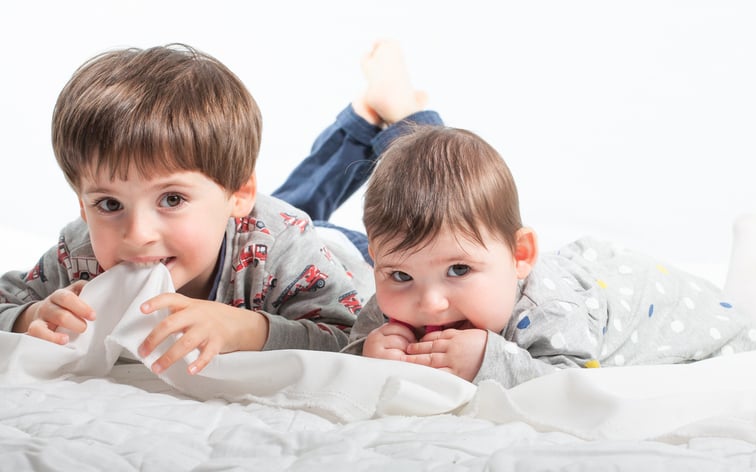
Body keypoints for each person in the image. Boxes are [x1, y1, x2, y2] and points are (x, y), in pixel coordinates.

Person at [0, 41, 436, 377]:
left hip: (330, 247)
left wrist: (246, 329)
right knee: (283, 206)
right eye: (109, 204)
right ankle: (361, 117)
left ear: (239, 195)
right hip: (249, 223)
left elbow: (353, 337)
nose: (137, 234)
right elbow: (6, 299)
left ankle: (402, 112)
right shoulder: (79, 254)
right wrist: (30, 317)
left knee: (437, 207)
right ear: (82, 205)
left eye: (171, 199)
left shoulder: (283, 243)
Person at [341, 124, 756, 389]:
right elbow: (345, 354)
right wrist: (368, 352)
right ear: (376, 259)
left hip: (676, 313)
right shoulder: (392, 302)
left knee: (746, 328)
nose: (429, 302)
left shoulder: (550, 311)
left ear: (520, 255)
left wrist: (492, 361)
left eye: (459, 269)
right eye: (399, 275)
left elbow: (572, 385)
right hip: (587, 271)